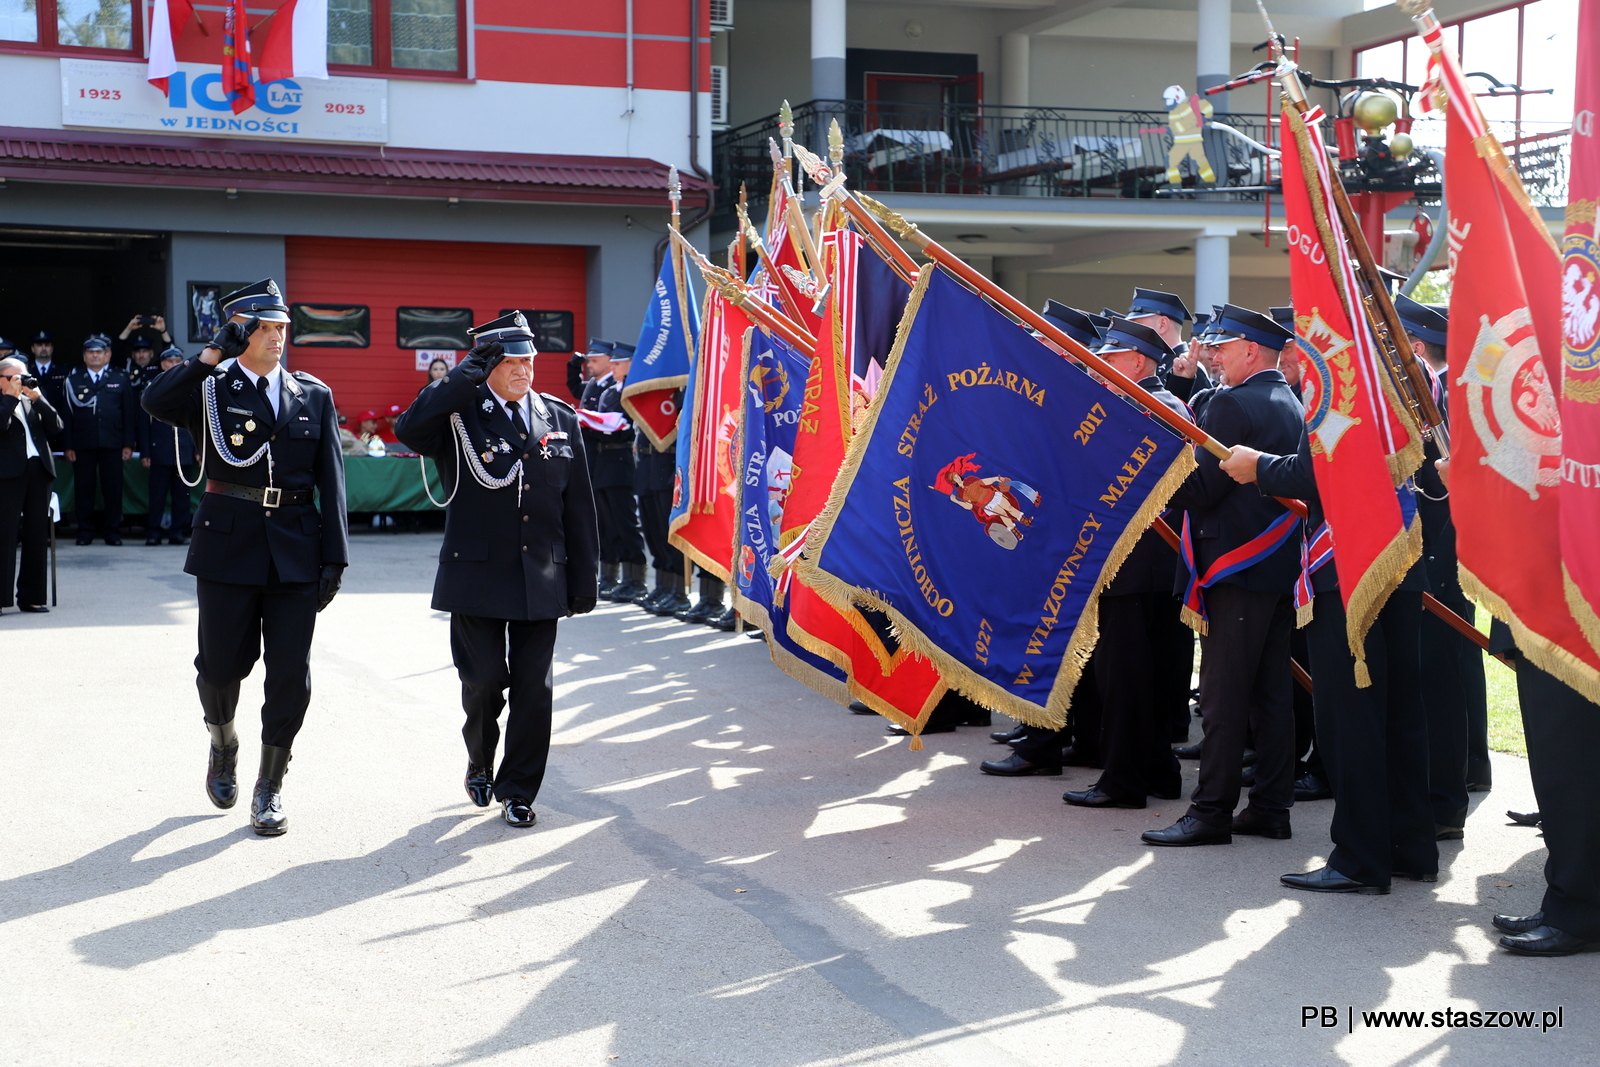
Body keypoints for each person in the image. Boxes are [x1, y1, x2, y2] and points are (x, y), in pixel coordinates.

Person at [141, 278, 348, 837]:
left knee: (290, 675)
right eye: (263, 327)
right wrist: (210, 354)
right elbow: (155, 401)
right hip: (228, 545)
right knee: (220, 665)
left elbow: (334, 480)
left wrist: (336, 559)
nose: (277, 336)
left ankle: (270, 787)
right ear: (240, 331)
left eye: (282, 327)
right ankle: (222, 742)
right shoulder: (211, 387)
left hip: (297, 549)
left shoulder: (313, 393)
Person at [394, 311, 600, 828]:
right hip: (478, 575)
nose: (524, 370)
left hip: (542, 577)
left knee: (536, 690)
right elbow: (410, 428)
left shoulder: (559, 418)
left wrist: (583, 580)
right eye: (510, 362)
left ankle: (518, 789)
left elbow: (579, 509)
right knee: (485, 681)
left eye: (528, 360)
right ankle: (481, 759)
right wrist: (463, 376)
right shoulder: (459, 416)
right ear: (487, 365)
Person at [1222, 415, 1435, 895]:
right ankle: (1409, 845)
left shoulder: (1342, 364)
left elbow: (1320, 469)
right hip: (1395, 551)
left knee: (1350, 713)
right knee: (1399, 709)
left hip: (1351, 561)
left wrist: (1260, 466)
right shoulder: (1384, 367)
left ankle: (1361, 857)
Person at [1143, 305, 1303, 847]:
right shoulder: (1288, 398)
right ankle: (1270, 807)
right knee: (1270, 695)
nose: (1212, 355)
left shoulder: (1234, 402)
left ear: (1251, 350)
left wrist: (1155, 466)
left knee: (1223, 697)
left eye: (1223, 347)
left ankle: (1211, 811)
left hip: (1235, 563)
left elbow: (1204, 490)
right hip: (1275, 564)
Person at [1056, 320, 1190, 807]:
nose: (1103, 367)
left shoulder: (1146, 405)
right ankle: (1158, 770)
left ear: (1139, 361)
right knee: (1148, 674)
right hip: (1151, 563)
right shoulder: (1160, 403)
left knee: (1126, 678)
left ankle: (1123, 781)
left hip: (1134, 564)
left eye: (1111, 360)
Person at [1396, 293, 1491, 824]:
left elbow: (1449, 483)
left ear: (1412, 346)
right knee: (1444, 673)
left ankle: (1445, 803)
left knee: (1440, 676)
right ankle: (1458, 780)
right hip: (1434, 550)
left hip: (1442, 552)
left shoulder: (1447, 395)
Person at [1484, 621, 1600, 955]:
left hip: (1570, 615)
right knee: (1556, 770)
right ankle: (1566, 903)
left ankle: (1578, 911)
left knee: (1570, 767)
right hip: (1542, 615)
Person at [580, 339, 647, 602]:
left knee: (625, 522)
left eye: (619, 363)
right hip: (602, 460)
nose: (615, 367)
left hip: (621, 461)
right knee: (606, 524)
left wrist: (601, 425)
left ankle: (636, 579)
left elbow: (628, 427)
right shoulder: (609, 393)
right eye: (615, 363)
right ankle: (611, 576)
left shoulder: (631, 391)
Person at [60, 335, 137, 545]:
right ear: (84, 356)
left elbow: (128, 414)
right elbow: (67, 416)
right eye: (90, 352)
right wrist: (68, 445)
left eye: (99, 352)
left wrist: (128, 443)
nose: (95, 355)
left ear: (108, 355)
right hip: (82, 444)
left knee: (113, 489)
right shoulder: (73, 379)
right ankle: (85, 531)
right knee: (84, 489)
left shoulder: (120, 378)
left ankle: (112, 532)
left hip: (113, 443)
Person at [0, 356, 60, 614]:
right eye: (15, 378)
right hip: (7, 474)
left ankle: (32, 596)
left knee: (37, 534)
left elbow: (56, 427)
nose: (21, 382)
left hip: (39, 470)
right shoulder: (8, 399)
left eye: (23, 377)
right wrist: (10, 397)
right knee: (4, 535)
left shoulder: (31, 398)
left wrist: (39, 399)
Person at [634, 392, 690, 614]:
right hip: (650, 463)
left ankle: (679, 592)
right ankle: (665, 586)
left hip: (670, 461)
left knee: (670, 532)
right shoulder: (657, 385)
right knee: (654, 531)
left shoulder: (686, 389)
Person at [138, 345, 197, 546]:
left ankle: (178, 532)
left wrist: (198, 449)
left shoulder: (191, 385)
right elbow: (143, 423)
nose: (172, 365)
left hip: (184, 449)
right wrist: (145, 450)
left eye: (176, 361)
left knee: (182, 496)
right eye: (169, 361)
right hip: (159, 448)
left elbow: (197, 420)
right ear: (162, 364)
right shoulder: (153, 385)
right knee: (157, 495)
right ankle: (153, 532)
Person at [26, 331, 69, 419]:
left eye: (47, 345)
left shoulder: (64, 370)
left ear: (52, 348)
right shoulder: (26, 370)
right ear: (32, 349)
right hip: (32, 421)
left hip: (58, 419)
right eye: (39, 345)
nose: (43, 348)